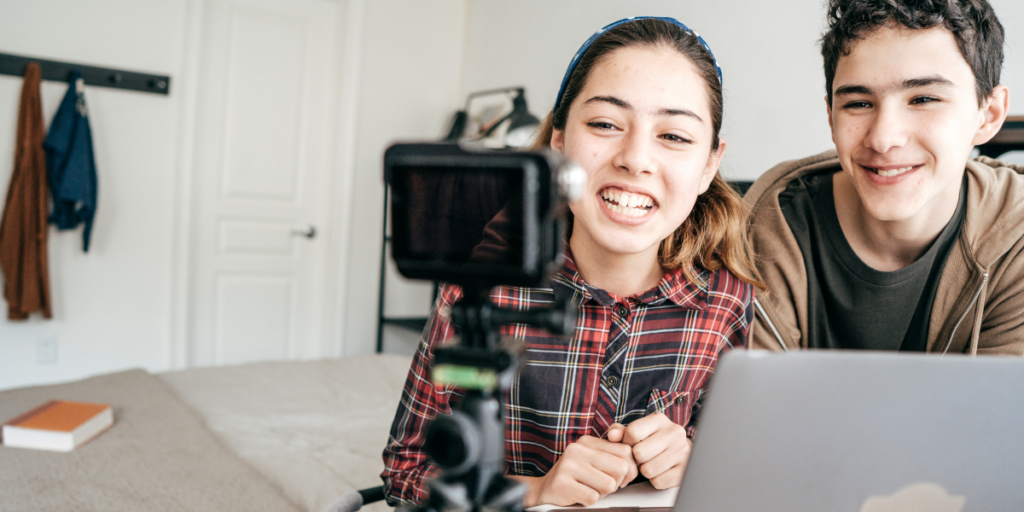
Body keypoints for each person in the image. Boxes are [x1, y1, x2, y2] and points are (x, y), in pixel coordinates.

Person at [381, 17, 764, 508]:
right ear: (559, 141)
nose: (635, 159)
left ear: (710, 163)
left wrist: (692, 457)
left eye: (674, 136)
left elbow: (737, 469)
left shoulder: (727, 300)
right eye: (605, 124)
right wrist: (536, 491)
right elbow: (406, 471)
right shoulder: (483, 285)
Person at [746, 0, 1023, 355]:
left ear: (989, 114)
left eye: (923, 98)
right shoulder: (768, 228)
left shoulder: (1016, 238)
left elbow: (1000, 407)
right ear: (831, 117)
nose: (883, 137)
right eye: (859, 103)